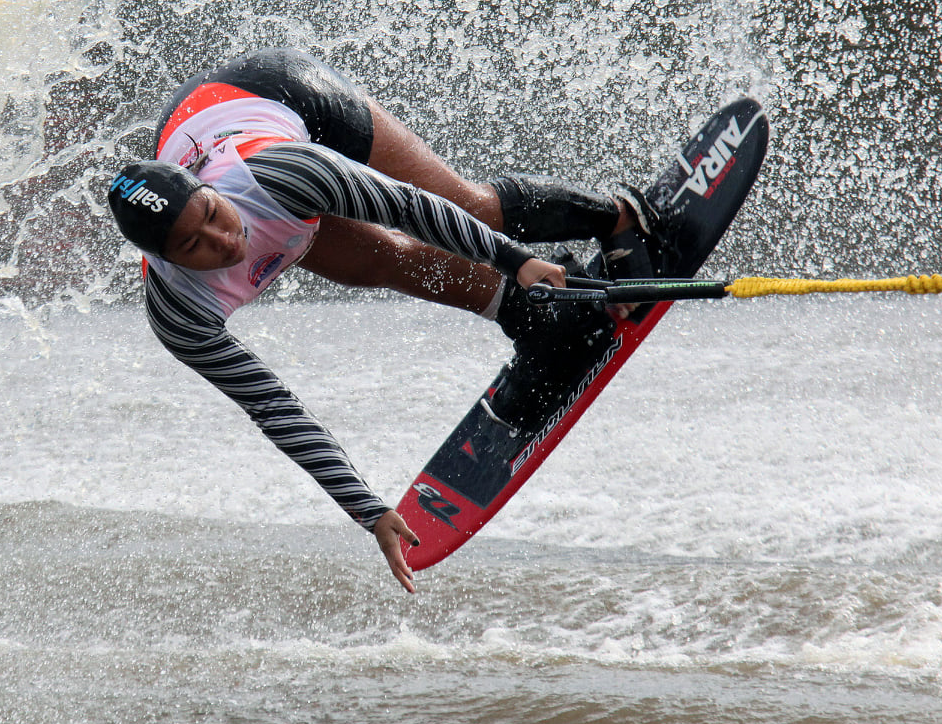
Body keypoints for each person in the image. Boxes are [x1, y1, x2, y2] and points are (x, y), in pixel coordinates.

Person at [107, 49, 658, 592]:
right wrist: (368, 510)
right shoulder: (179, 310)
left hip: (276, 93)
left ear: (209, 189)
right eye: (194, 246)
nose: (224, 241)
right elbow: (271, 407)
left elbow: (410, 208)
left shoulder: (281, 175)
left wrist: (516, 260)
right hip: (202, 140)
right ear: (164, 260)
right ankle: (533, 321)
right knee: (378, 262)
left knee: (466, 205)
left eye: (212, 214)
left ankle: (618, 217)